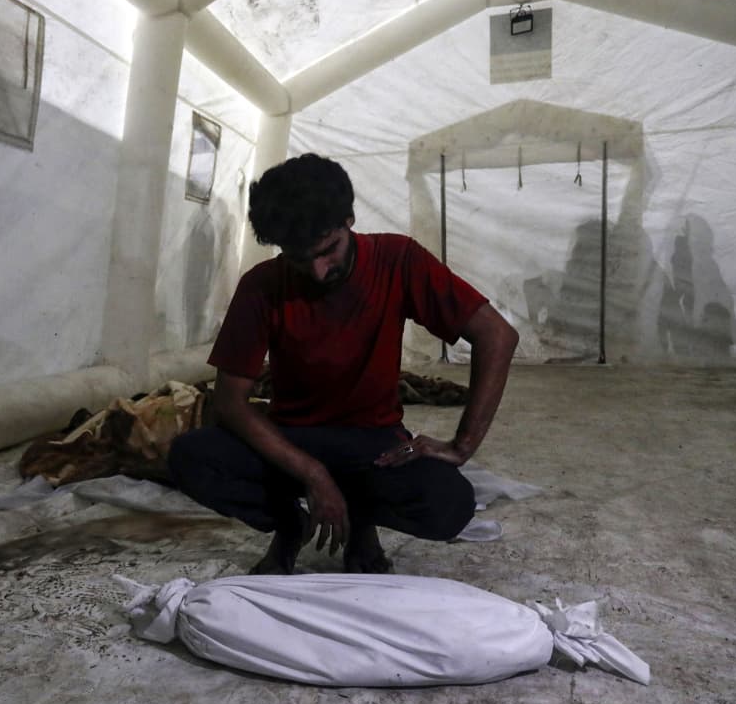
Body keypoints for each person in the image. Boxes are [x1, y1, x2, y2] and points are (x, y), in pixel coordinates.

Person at [168, 153, 519, 574]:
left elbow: (497, 335)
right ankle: (290, 526)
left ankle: (359, 522)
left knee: (449, 505)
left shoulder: (398, 259)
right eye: (299, 259)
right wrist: (314, 475)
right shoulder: (261, 286)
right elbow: (230, 403)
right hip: (291, 440)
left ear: (350, 219)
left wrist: (463, 446)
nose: (318, 272)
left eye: (328, 250)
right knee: (190, 456)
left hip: (373, 444)